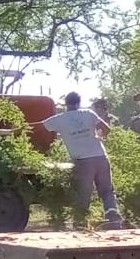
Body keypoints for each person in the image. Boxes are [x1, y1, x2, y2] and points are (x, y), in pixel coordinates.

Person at [40, 92, 126, 229]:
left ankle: (80, 224)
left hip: (82, 161)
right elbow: (106, 128)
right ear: (78, 103)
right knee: (107, 191)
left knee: (83, 194)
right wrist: (98, 137)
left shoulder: (60, 118)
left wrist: (13, 129)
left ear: (65, 104)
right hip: (100, 157)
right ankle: (114, 221)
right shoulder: (88, 114)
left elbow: (37, 126)